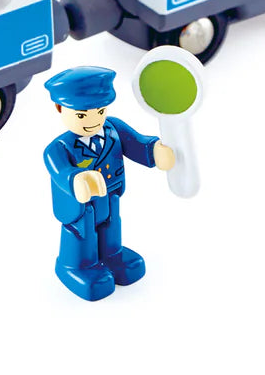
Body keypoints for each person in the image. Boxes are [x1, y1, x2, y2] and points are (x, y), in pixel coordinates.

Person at [43, 66, 174, 301]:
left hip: (111, 195)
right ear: (60, 108)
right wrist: (77, 179)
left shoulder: (113, 129)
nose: (93, 120)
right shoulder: (58, 148)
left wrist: (154, 150)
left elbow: (137, 143)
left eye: (100, 111)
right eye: (82, 115)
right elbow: (61, 172)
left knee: (111, 227)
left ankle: (112, 255)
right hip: (81, 207)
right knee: (82, 234)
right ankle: (77, 266)